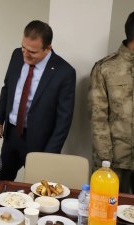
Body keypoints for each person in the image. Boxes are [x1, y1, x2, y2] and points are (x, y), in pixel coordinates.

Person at [0, 20, 76, 181]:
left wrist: (50, 154)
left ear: (47, 48)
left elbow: (64, 120)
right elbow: (7, 88)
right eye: (23, 47)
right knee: (3, 180)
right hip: (11, 134)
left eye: (32, 51)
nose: (25, 54)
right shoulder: (17, 55)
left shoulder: (65, 72)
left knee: (36, 188)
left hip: (40, 141)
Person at [89, 12, 134, 194]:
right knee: (107, 214)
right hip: (115, 162)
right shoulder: (105, 68)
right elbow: (98, 119)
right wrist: (105, 163)